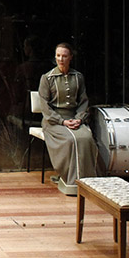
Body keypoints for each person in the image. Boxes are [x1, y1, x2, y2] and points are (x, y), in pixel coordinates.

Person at [38, 41, 98, 195]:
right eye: (58, 56)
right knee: (70, 140)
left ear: (71, 57)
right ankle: (68, 180)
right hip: (53, 121)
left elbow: (83, 101)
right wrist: (61, 121)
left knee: (86, 138)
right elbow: (44, 106)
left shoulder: (78, 77)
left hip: (74, 118)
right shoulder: (47, 78)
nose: (61, 59)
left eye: (64, 56)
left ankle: (88, 182)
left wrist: (79, 118)